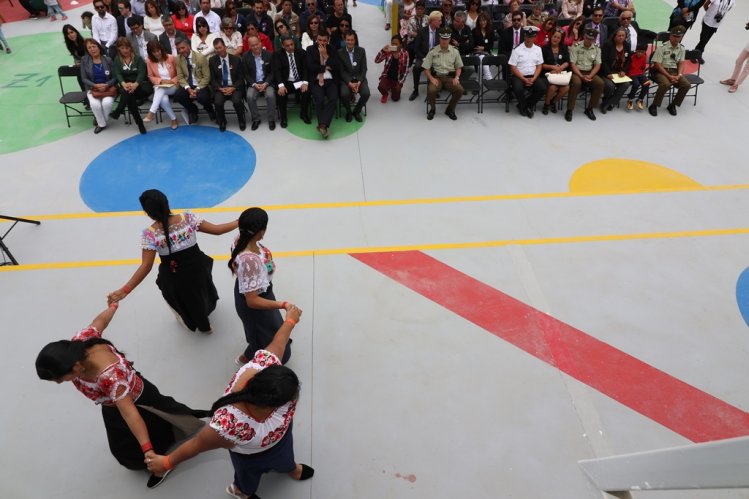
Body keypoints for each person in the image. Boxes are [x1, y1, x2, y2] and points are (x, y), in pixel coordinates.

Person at [144, 305, 313, 499]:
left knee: (285, 458)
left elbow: (279, 342)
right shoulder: (227, 426)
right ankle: (241, 491)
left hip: (281, 439)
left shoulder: (266, 366)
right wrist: (165, 463)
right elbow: (197, 445)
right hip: (251, 456)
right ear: (269, 407)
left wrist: (290, 320)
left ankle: (290, 468)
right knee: (247, 476)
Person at [35, 303, 209, 489]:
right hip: (114, 402)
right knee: (153, 427)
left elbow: (130, 414)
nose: (60, 382)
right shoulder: (80, 341)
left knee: (135, 443)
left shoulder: (109, 377)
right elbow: (100, 321)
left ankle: (159, 462)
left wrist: (147, 451)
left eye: (60, 379)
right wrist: (113, 306)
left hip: (137, 402)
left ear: (76, 366)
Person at [107, 190, 237, 332]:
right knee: (201, 293)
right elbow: (217, 230)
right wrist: (239, 222)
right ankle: (206, 326)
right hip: (198, 268)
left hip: (174, 276)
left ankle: (201, 325)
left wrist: (125, 290)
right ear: (166, 203)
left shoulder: (150, 234)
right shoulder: (187, 217)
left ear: (147, 213)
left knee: (185, 300)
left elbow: (146, 266)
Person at [228, 207, 295, 365]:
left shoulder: (240, 239)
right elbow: (252, 301)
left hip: (260, 293)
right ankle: (248, 357)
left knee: (271, 326)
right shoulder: (250, 261)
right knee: (260, 337)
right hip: (255, 304)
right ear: (261, 231)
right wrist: (283, 305)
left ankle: (274, 340)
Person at [648, 24, 690, 116]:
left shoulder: (681, 48)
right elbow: (657, 64)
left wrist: (679, 75)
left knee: (686, 85)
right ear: (670, 36)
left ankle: (673, 105)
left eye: (678, 37)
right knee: (665, 84)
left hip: (674, 72)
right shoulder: (662, 48)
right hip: (661, 71)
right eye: (674, 36)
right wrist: (669, 76)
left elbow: (681, 63)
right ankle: (654, 105)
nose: (676, 38)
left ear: (681, 37)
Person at [111, 37, 151, 133]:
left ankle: (119, 110)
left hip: (139, 86)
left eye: (127, 48)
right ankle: (140, 124)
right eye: (122, 48)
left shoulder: (138, 58)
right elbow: (118, 74)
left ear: (130, 48)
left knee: (128, 94)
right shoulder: (117, 59)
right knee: (129, 97)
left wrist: (135, 84)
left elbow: (141, 73)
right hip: (126, 86)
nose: (125, 50)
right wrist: (124, 83)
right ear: (119, 49)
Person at [423, 27, 464, 121]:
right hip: (436, 77)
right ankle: (432, 109)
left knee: (460, 90)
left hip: (450, 77)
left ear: (449, 39)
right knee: (431, 90)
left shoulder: (455, 51)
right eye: (443, 38)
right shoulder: (433, 51)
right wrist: (431, 78)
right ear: (439, 38)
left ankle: (450, 109)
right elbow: (426, 68)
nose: (444, 41)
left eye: (446, 39)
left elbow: (458, 67)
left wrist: (457, 77)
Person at [174, 38, 216, 123]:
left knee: (202, 97)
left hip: (200, 84)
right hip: (188, 84)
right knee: (178, 95)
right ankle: (193, 110)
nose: (181, 51)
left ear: (189, 46)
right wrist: (188, 89)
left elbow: (206, 77)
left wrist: (196, 89)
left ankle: (210, 109)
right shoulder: (178, 59)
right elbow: (180, 77)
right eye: (178, 49)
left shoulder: (200, 58)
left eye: (183, 48)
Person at [565, 27, 603, 121]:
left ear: (594, 39)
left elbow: (597, 65)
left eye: (591, 39)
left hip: (590, 72)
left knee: (600, 83)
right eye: (587, 38)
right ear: (584, 37)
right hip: (577, 72)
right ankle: (569, 110)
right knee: (576, 83)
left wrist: (590, 76)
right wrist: (581, 76)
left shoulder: (597, 48)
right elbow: (572, 64)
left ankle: (590, 109)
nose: (588, 40)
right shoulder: (576, 46)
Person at [274, 35, 311, 127]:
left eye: (292, 44)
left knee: (306, 92)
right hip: (286, 82)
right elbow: (277, 71)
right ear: (283, 46)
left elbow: (306, 69)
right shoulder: (278, 55)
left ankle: (304, 114)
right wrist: (281, 85)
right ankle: (283, 118)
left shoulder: (301, 53)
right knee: (281, 94)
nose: (290, 47)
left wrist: (305, 83)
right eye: (287, 45)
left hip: (299, 81)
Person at [210, 37, 247, 131]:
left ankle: (241, 120)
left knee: (237, 101)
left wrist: (233, 88)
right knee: (217, 102)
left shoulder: (236, 60)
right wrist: (219, 88)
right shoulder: (212, 61)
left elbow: (241, 78)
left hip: (234, 87)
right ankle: (222, 121)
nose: (219, 50)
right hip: (221, 88)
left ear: (225, 47)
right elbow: (213, 80)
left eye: (220, 47)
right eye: (216, 48)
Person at [306, 31, 338, 138]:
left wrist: (325, 55)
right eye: (320, 40)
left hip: (330, 80)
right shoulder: (310, 49)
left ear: (328, 40)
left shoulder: (332, 49)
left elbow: (336, 66)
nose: (322, 42)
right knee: (319, 99)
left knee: (333, 98)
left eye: (324, 40)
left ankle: (322, 124)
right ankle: (324, 125)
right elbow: (310, 66)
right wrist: (325, 67)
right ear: (316, 39)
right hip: (316, 80)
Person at [81, 38, 117, 133]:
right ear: (87, 50)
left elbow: (115, 77)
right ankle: (101, 124)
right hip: (92, 88)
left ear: (99, 47)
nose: (92, 49)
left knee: (107, 103)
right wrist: (95, 85)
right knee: (95, 104)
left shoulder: (108, 60)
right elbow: (84, 78)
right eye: (89, 48)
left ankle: (101, 120)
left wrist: (107, 84)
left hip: (108, 88)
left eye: (94, 46)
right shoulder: (84, 60)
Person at [509, 26, 546, 118]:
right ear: (524, 37)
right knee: (518, 89)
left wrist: (534, 78)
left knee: (542, 88)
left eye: (531, 37)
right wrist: (524, 79)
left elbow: (539, 66)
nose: (529, 39)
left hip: (533, 75)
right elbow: (513, 67)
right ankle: (525, 108)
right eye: (527, 36)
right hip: (519, 76)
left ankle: (525, 105)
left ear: (535, 37)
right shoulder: (517, 49)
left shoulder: (538, 49)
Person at [243, 35, 277, 130]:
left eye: (257, 44)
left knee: (270, 95)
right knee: (249, 96)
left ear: (260, 43)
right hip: (254, 83)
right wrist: (254, 84)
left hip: (267, 82)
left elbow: (272, 72)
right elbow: (246, 74)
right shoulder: (245, 56)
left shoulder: (269, 55)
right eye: (252, 45)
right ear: (249, 46)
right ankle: (256, 119)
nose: (255, 47)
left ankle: (271, 119)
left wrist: (266, 83)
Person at [143, 40, 179, 128]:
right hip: (160, 85)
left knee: (160, 90)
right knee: (163, 100)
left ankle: (151, 112)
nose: (157, 53)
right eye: (154, 52)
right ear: (151, 53)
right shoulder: (149, 61)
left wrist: (172, 81)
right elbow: (150, 76)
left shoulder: (171, 58)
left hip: (173, 85)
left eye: (158, 51)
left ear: (161, 50)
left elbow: (180, 73)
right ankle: (173, 119)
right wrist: (161, 81)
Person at [410, 10, 443, 101]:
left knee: (440, 67)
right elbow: (416, 49)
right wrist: (424, 58)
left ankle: (433, 89)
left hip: (435, 57)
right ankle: (415, 90)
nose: (441, 22)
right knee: (416, 68)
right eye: (439, 20)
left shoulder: (440, 32)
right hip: (423, 56)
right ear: (433, 21)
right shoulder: (422, 32)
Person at [338, 30, 369, 122]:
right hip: (346, 80)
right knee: (344, 94)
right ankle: (348, 112)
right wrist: (349, 82)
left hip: (359, 78)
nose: (350, 42)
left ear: (355, 40)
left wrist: (359, 81)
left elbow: (364, 69)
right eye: (348, 40)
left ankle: (356, 111)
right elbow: (341, 71)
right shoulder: (340, 53)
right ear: (345, 40)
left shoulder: (361, 51)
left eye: (352, 40)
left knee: (366, 93)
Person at [600, 27, 631, 113]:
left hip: (619, 73)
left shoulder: (627, 45)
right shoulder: (607, 44)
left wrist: (624, 70)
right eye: (619, 35)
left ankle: (608, 103)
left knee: (626, 84)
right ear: (614, 36)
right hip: (606, 72)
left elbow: (628, 61)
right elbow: (603, 61)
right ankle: (606, 102)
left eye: (623, 36)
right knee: (610, 86)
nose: (621, 37)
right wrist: (608, 73)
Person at [541, 28, 570, 114]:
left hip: (560, 73)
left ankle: (553, 102)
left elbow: (567, 61)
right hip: (547, 73)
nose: (556, 39)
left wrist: (560, 68)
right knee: (553, 87)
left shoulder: (564, 47)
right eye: (554, 37)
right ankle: (546, 104)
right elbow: (541, 65)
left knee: (566, 88)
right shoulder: (544, 48)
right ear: (551, 37)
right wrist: (552, 67)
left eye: (558, 38)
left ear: (561, 39)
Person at [375, 35, 410, 103]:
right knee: (380, 87)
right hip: (388, 77)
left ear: (400, 45)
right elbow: (377, 61)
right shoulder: (388, 51)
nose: (394, 45)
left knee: (395, 99)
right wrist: (383, 51)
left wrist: (400, 83)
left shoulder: (405, 54)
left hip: (397, 79)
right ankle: (385, 93)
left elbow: (406, 71)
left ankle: (393, 89)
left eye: (396, 44)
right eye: (392, 43)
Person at [625, 42, 649, 109]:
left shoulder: (644, 57)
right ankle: (630, 99)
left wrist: (643, 75)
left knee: (647, 83)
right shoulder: (631, 57)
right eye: (638, 51)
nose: (640, 53)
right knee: (636, 84)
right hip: (631, 74)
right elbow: (626, 67)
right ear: (636, 50)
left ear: (644, 52)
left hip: (640, 74)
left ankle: (640, 99)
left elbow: (643, 68)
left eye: (642, 52)